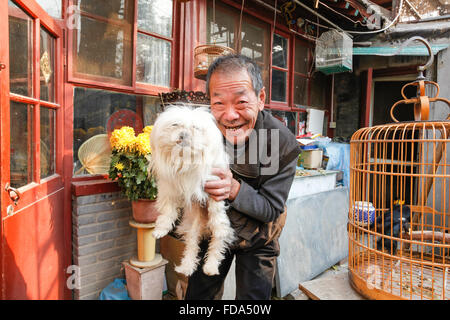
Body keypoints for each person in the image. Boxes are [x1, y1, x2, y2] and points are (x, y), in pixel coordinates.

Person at [185, 54, 301, 300]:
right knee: (198, 298)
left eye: (240, 102)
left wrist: (234, 189)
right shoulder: (202, 131)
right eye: (218, 104)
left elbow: (270, 208)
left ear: (260, 99)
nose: (229, 116)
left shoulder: (278, 142)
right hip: (215, 227)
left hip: (259, 236)